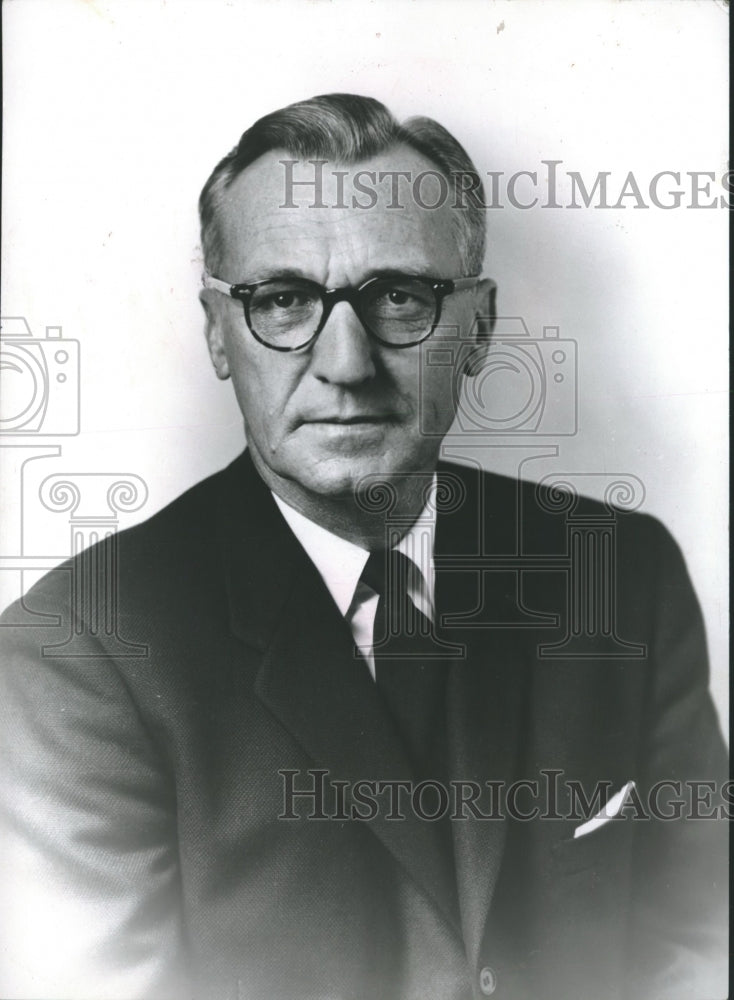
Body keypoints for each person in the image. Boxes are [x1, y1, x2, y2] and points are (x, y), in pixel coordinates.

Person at [0, 94, 727, 1000]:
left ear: (480, 327)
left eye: (398, 296)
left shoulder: (618, 575)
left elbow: (701, 948)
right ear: (217, 335)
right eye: (284, 300)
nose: (345, 364)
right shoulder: (74, 656)